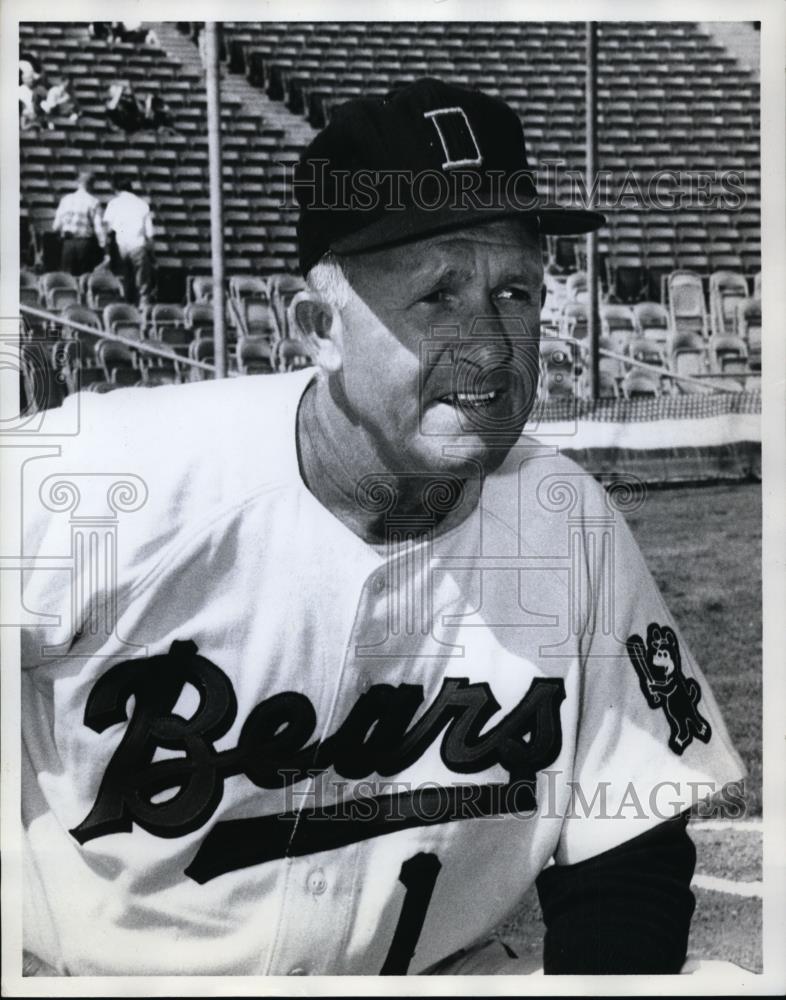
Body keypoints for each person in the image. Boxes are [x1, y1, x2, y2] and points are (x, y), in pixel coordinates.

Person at [21, 78, 744, 977]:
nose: (489, 344)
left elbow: (629, 854)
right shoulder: (101, 476)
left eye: (516, 292)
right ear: (318, 327)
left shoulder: (564, 522)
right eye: (438, 295)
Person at [103, 173, 156, 307]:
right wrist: (152, 255)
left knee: (124, 282)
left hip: (120, 247)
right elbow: (150, 234)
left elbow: (108, 230)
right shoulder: (142, 204)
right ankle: (143, 312)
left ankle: (124, 309)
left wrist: (107, 252)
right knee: (142, 286)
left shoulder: (113, 203)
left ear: (116, 189)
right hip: (138, 246)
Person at [51, 168, 107, 276]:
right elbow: (98, 228)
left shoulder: (65, 200)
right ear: (91, 184)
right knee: (84, 277)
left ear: (78, 183)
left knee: (68, 278)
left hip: (68, 243)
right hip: (85, 244)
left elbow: (56, 226)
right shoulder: (94, 202)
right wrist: (104, 247)